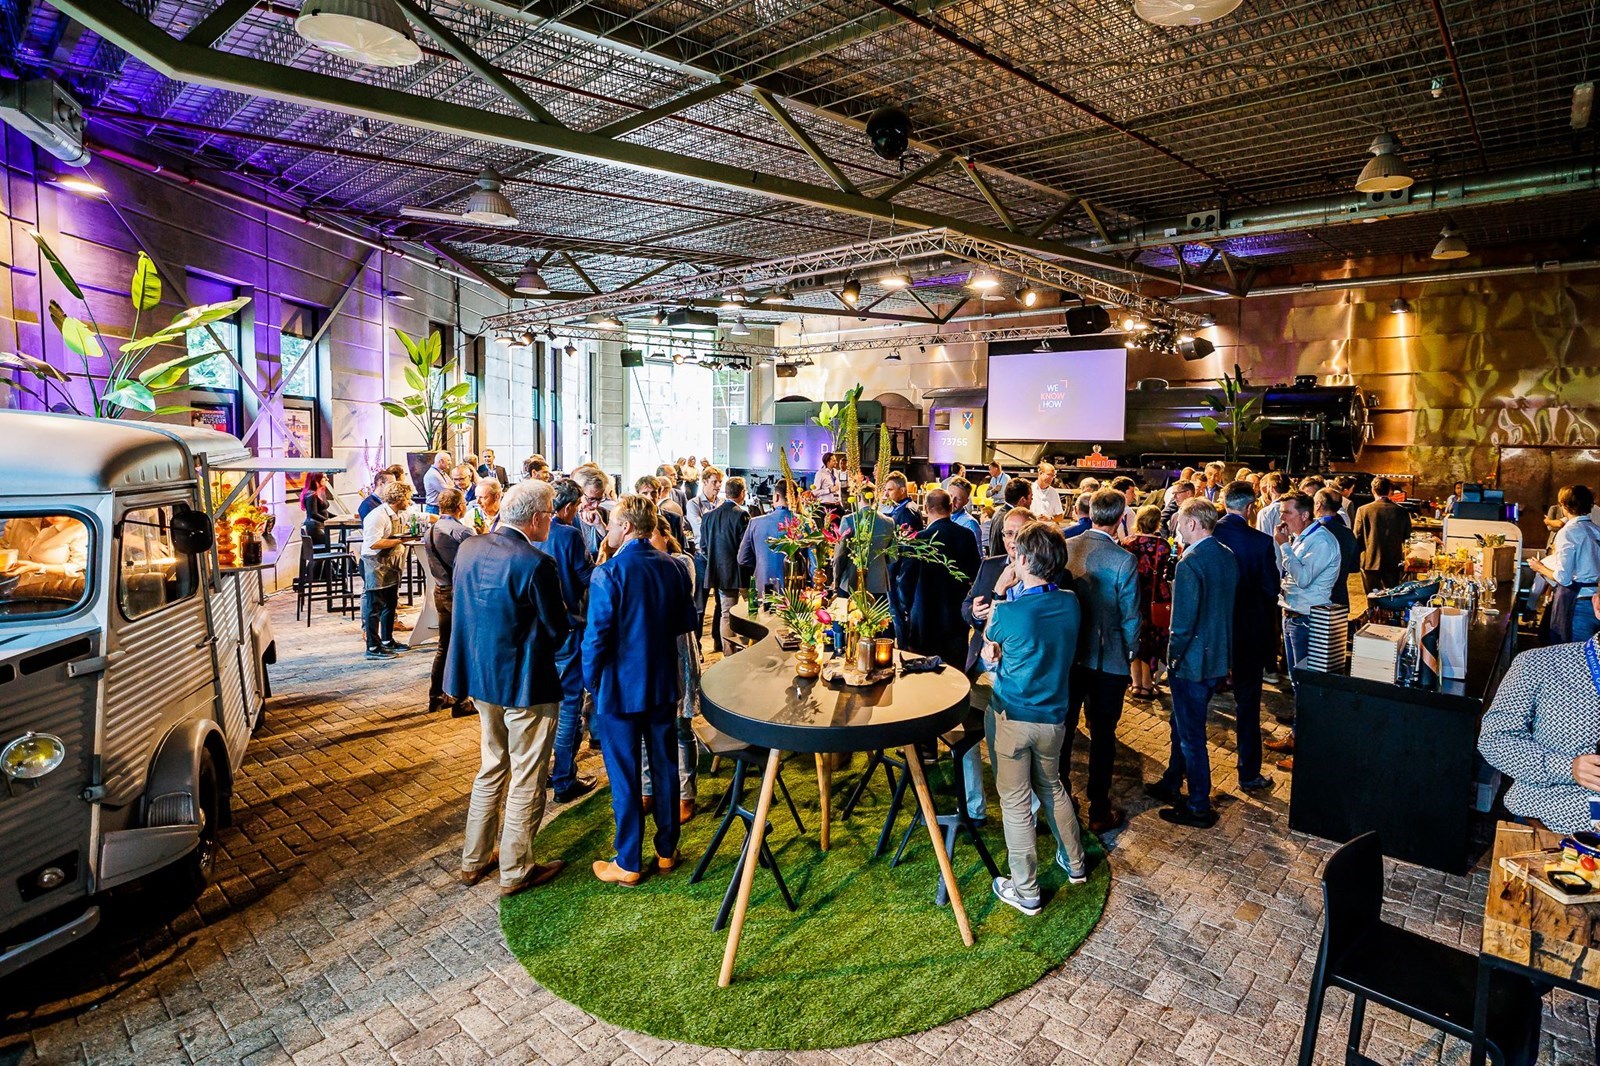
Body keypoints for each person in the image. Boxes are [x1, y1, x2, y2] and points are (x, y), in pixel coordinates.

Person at [446, 480, 570, 897]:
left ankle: (473, 859)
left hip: (481, 679)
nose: (551, 520)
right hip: (526, 684)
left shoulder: (469, 548)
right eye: (550, 514)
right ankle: (516, 869)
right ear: (536, 518)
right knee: (527, 777)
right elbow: (557, 628)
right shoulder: (536, 563)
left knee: (491, 767)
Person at [584, 495, 697, 885]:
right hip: (663, 680)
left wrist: (589, 680)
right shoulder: (675, 568)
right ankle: (667, 851)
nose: (609, 531)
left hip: (618, 687)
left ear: (627, 527)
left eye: (613, 524)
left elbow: (596, 637)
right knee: (665, 768)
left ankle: (629, 860)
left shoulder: (608, 573)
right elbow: (687, 623)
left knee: (625, 773)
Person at [980, 520, 1089, 916]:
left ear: (1023, 559)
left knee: (1015, 803)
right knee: (1052, 787)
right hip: (1054, 717)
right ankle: (1074, 862)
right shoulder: (1070, 602)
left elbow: (986, 651)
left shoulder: (1010, 611)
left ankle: (1025, 890)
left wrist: (998, 591)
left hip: (1013, 714)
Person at [1147, 498, 1236, 828]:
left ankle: (1198, 802)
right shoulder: (1226, 555)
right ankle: (1172, 779)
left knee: (1191, 735)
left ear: (1195, 524)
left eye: (1181, 523)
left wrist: (1171, 659)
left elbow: (1181, 623)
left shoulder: (1190, 562)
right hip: (1216, 657)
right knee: (1180, 724)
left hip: (1192, 662)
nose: (1177, 528)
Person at [1062, 488, 1141, 834]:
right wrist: (1131, 653)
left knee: (1065, 729)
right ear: (1121, 518)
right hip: (1108, 659)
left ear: (1089, 512)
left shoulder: (1066, 548)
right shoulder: (1124, 560)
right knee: (1103, 735)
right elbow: (1131, 617)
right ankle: (1098, 808)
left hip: (1069, 654)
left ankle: (1061, 796)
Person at [1477, 624, 1600, 832]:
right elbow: (1494, 739)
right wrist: (1568, 768)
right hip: (1550, 827)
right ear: (1597, 605)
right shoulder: (1540, 663)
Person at [962, 506, 1035, 822]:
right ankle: (974, 808)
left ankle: (1025, 813)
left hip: (1016, 675)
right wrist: (974, 613)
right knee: (964, 736)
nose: (1012, 539)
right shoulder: (990, 566)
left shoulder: (1044, 572)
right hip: (980, 670)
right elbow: (966, 606)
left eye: (1019, 532)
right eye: (1007, 533)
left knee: (1007, 747)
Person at [1210, 481, 1279, 792]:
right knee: (1247, 704)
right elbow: (1270, 590)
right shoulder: (1261, 543)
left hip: (1212, 630)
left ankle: (1179, 771)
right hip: (1249, 631)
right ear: (1250, 508)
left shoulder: (1208, 534)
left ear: (1224, 503)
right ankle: (1248, 772)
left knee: (1194, 705)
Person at [1266, 492, 1342, 771]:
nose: (1281, 518)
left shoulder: (1320, 541)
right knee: (1298, 683)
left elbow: (1303, 577)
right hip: (1294, 616)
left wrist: (1284, 547)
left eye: (1287, 512)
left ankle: (1307, 750)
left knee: (1306, 686)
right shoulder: (1305, 539)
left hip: (1308, 620)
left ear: (1305, 514)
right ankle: (1297, 737)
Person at [641, 515, 703, 823]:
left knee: (681, 726)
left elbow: (678, 601)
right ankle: (648, 788)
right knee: (644, 728)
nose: (646, 542)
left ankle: (685, 793)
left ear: (666, 536)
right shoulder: (638, 562)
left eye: (651, 536)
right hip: (647, 653)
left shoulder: (682, 562)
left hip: (677, 651)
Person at [541, 478, 598, 804]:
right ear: (566, 507)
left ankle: (549, 772)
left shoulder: (531, 533)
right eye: (576, 506)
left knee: (547, 707)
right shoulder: (567, 534)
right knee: (569, 709)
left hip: (541, 632)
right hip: (569, 628)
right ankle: (563, 778)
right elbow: (585, 577)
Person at [893, 489, 981, 667]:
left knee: (925, 674)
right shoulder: (967, 536)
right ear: (950, 507)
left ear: (926, 508)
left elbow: (905, 581)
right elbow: (975, 575)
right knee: (955, 673)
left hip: (924, 616)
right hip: (956, 618)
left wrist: (905, 611)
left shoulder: (919, 540)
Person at [423, 487, 475, 716]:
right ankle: (461, 700)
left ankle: (436, 696)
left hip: (440, 590)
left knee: (444, 645)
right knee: (463, 646)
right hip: (459, 594)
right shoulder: (462, 532)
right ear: (460, 507)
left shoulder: (430, 531)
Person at [1533, 485, 1600, 644]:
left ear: (1564, 505)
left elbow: (1563, 578)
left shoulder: (1568, 532)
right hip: (1595, 601)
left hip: (1577, 604)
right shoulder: (1596, 529)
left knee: (1574, 656)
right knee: (1591, 657)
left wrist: (1539, 567)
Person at [1121, 505, 1172, 703]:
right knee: (1153, 639)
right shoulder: (1163, 545)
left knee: (1135, 636)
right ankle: (1148, 684)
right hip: (1156, 596)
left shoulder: (1128, 543)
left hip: (1134, 595)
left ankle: (1136, 683)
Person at [360, 479, 412, 660]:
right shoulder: (377, 516)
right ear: (400, 498)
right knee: (374, 606)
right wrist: (400, 541)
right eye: (408, 498)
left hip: (391, 563)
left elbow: (418, 518)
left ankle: (388, 640)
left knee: (390, 603)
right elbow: (374, 543)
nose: (409, 501)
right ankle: (373, 647)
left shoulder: (398, 513)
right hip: (375, 564)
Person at [702, 475, 752, 653]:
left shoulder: (708, 516)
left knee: (726, 614)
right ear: (742, 493)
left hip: (719, 572)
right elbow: (746, 546)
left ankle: (728, 653)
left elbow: (703, 547)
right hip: (741, 572)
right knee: (749, 612)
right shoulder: (742, 515)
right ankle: (748, 651)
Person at [738, 478, 802, 593]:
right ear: (797, 499)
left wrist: (762, 563)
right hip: (795, 588)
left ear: (776, 496)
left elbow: (742, 558)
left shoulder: (755, 523)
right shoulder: (804, 524)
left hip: (763, 585)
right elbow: (813, 564)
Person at [1353, 475, 1413, 591]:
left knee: (1372, 596)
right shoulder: (1402, 511)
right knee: (1392, 595)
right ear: (1390, 491)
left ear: (1373, 490)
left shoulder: (1363, 510)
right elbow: (1407, 537)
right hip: (1393, 561)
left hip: (1369, 561)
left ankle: (1373, 609)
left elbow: (1357, 537)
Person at [686, 466, 724, 646]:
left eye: (720, 482)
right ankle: (697, 644)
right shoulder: (693, 504)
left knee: (720, 601)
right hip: (702, 558)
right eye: (714, 482)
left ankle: (718, 639)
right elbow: (700, 529)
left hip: (719, 558)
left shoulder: (723, 503)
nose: (717, 486)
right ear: (704, 482)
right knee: (699, 604)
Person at [1316, 487, 1360, 609]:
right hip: (1340, 596)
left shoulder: (1313, 531)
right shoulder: (1347, 533)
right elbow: (1354, 566)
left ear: (1318, 505)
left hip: (1316, 599)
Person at [572, 466, 612, 558]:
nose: (595, 505)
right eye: (591, 499)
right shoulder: (567, 517)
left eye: (599, 499)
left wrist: (600, 526)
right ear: (578, 494)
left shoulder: (606, 514)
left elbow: (613, 549)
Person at [987, 477, 1032, 555]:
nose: (1031, 502)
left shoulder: (998, 513)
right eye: (1031, 498)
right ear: (1022, 500)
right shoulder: (1012, 520)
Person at [947, 476, 983, 551]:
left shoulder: (970, 524)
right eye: (950, 496)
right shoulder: (939, 517)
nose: (952, 501)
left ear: (966, 502)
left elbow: (977, 558)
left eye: (958, 499)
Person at [300, 472, 331, 548]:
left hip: (320, 526)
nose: (327, 479)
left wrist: (337, 517)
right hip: (315, 528)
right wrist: (328, 521)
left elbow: (323, 511)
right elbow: (313, 513)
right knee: (323, 551)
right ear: (316, 479)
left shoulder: (320, 493)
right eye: (324, 477)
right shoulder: (311, 495)